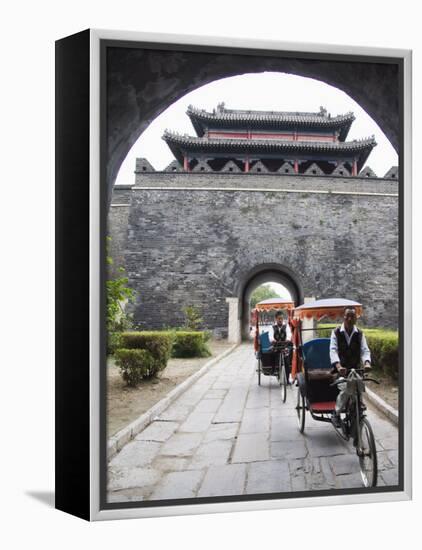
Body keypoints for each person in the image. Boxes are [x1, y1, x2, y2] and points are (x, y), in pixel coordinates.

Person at [329, 307, 371, 427]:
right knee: (346, 387)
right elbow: (333, 350)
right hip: (341, 371)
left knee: (358, 386)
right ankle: (336, 413)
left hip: (356, 369)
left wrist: (367, 362)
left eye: (352, 316)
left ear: (356, 318)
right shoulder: (336, 332)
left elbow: (364, 350)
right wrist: (338, 366)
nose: (349, 318)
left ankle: (358, 405)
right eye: (347, 316)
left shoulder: (360, 334)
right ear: (344, 317)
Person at [265, 310, 292, 378]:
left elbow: (289, 333)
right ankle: (273, 369)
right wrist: (272, 340)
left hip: (284, 345)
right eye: (279, 318)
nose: (280, 320)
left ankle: (288, 379)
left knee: (287, 361)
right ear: (276, 318)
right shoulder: (272, 327)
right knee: (272, 354)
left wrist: (288, 339)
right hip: (276, 346)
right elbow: (270, 335)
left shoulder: (286, 326)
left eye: (281, 318)